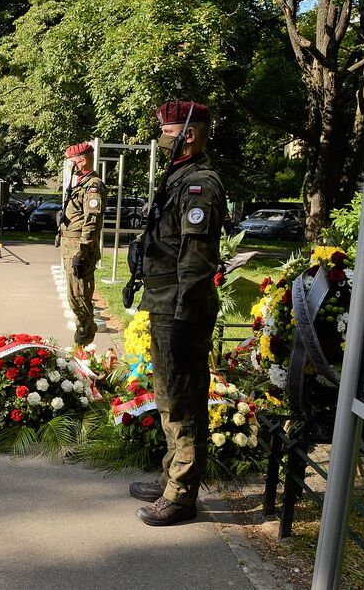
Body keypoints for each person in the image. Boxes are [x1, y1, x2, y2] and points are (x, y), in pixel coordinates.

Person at [130, 101, 226, 526]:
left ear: (187, 134)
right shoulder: (179, 177)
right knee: (167, 396)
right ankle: (172, 472)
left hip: (180, 308)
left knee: (183, 402)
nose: (161, 139)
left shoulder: (199, 185)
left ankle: (182, 493)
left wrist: (185, 319)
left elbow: (196, 259)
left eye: (166, 133)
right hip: (164, 302)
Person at [57, 141, 107, 346]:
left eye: (72, 163)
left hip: (79, 250)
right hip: (71, 248)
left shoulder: (93, 186)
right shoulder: (80, 183)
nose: (70, 166)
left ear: (82, 161)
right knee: (74, 297)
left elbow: (92, 222)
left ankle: (84, 341)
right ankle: (82, 337)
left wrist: (83, 251)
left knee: (80, 298)